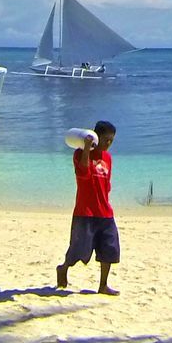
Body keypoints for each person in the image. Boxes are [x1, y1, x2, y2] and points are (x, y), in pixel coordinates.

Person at [56, 120, 119, 295]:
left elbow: (107, 184)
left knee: (109, 248)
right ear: (97, 138)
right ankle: (63, 268)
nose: (108, 144)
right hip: (85, 212)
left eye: (111, 141)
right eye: (106, 140)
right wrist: (86, 148)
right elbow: (83, 173)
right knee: (79, 249)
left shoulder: (108, 158)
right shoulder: (79, 154)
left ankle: (103, 285)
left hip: (105, 212)